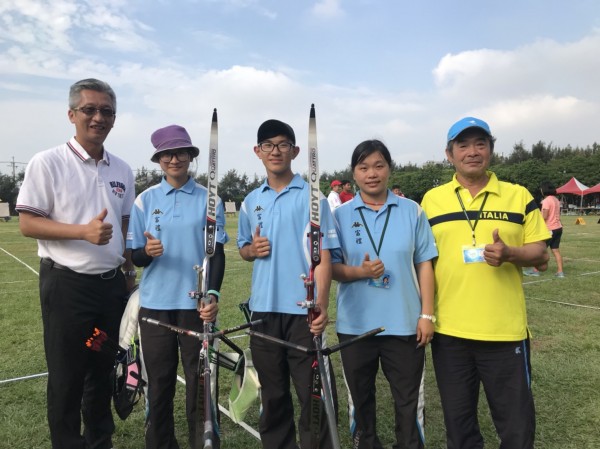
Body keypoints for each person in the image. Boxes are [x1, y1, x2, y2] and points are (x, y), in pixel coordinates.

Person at [15, 78, 136, 449]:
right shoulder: (47, 162)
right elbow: (27, 223)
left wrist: (129, 276)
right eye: (90, 109)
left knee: (102, 371)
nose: (98, 117)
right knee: (67, 377)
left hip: (111, 288)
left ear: (114, 119)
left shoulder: (123, 170)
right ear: (72, 114)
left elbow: (126, 227)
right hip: (68, 287)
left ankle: (100, 442)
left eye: (107, 111)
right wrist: (82, 232)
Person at [421, 117, 550, 449]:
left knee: (516, 426)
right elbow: (421, 260)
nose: (472, 152)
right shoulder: (431, 201)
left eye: (480, 144)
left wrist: (510, 253)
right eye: (463, 145)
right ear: (449, 154)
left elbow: (540, 252)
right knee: (459, 426)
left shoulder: (517, 196)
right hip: (450, 333)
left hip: (504, 332)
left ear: (491, 150)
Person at [237, 119, 340, 449]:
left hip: (302, 312)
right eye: (268, 145)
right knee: (274, 394)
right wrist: (252, 250)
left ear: (295, 151)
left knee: (312, 395)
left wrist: (320, 303)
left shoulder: (313, 198)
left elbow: (322, 255)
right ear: (258, 152)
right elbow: (243, 249)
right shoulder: (251, 200)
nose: (275, 151)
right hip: (262, 313)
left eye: (283, 145)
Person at [331, 139, 437, 449]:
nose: (372, 173)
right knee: (360, 401)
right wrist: (360, 273)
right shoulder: (340, 216)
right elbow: (332, 268)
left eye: (379, 165)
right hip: (355, 325)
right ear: (354, 174)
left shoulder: (412, 211)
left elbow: (425, 265)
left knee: (408, 401)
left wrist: (426, 314)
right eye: (364, 167)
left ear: (389, 169)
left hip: (404, 324)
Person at [128, 125, 228, 449]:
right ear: (158, 159)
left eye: (181, 152)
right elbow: (134, 256)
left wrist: (212, 294)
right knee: (159, 385)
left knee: (199, 387)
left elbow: (218, 253)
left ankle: (201, 442)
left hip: (195, 308)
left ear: (190, 156)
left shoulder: (210, 200)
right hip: (155, 305)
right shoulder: (145, 200)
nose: (174, 159)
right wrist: (147, 252)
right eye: (167, 154)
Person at [540, 181, 565, 277]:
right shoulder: (556, 200)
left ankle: (535, 270)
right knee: (555, 250)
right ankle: (560, 271)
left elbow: (545, 216)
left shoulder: (546, 201)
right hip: (558, 228)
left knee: (541, 250)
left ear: (544, 190)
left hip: (550, 229)